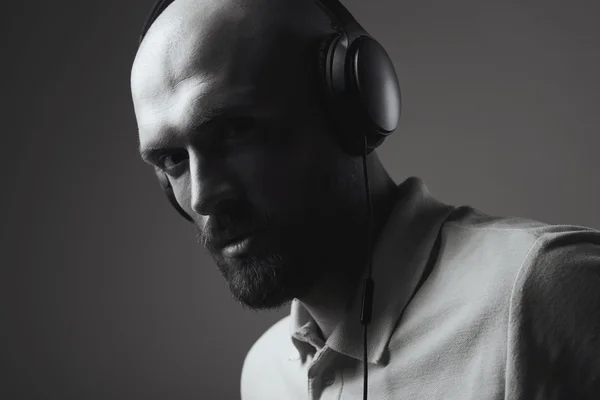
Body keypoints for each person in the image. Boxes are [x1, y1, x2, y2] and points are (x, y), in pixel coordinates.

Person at [130, 0, 600, 398]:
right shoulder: (265, 375)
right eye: (172, 159)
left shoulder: (548, 291)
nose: (205, 195)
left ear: (353, 104)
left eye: (235, 131)